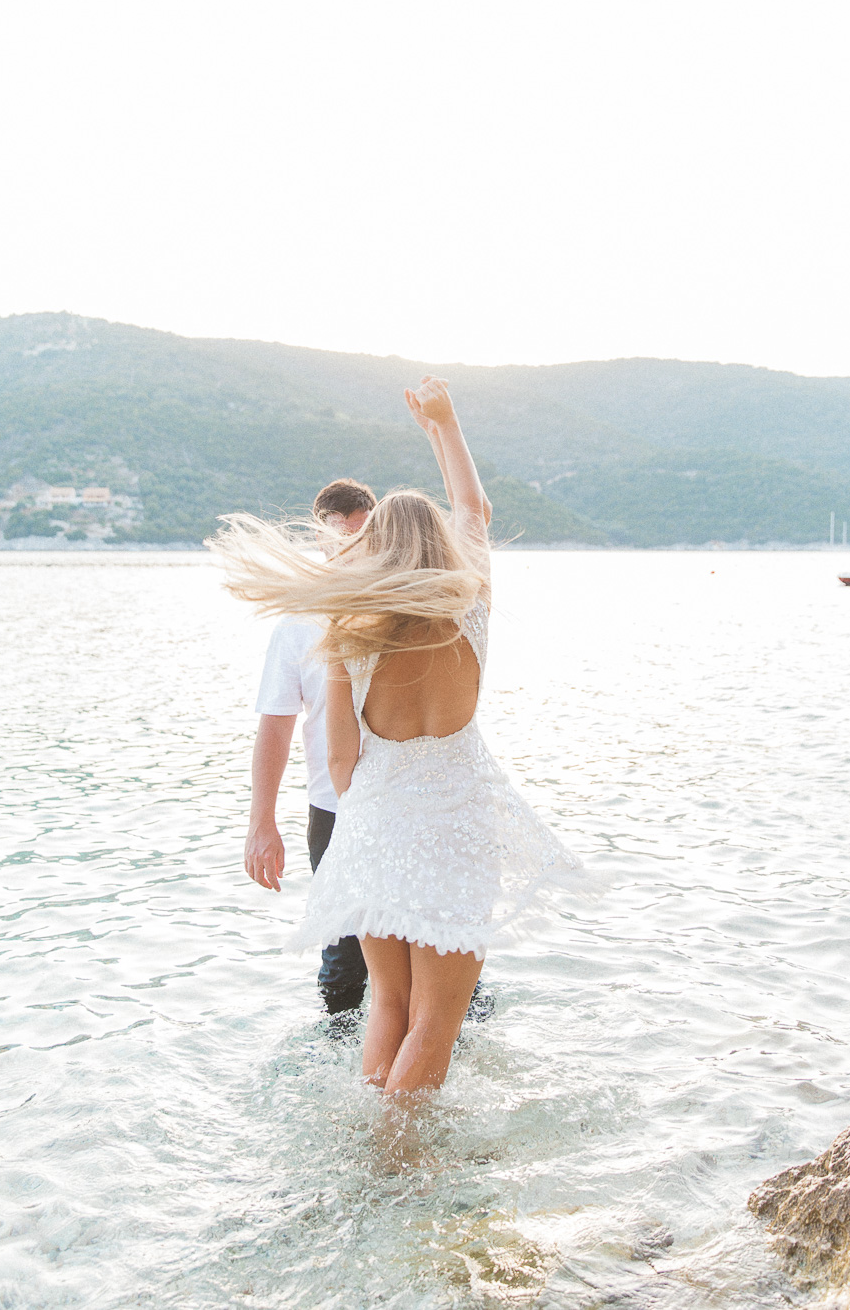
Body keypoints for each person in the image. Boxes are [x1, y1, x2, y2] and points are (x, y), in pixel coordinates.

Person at [212, 379, 593, 1094]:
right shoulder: (470, 606)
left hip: (375, 828)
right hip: (454, 824)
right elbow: (474, 509)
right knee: (438, 1021)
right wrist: (443, 426)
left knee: (386, 1002)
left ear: (378, 547)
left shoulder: (345, 635)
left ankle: (370, 1136)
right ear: (439, 543)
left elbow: (341, 768)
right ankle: (399, 1160)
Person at [244, 478, 376, 1014]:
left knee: (438, 945)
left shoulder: (405, 607)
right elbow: (274, 727)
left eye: (365, 537)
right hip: (333, 810)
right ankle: (339, 1078)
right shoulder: (297, 622)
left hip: (405, 803)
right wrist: (261, 823)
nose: (354, 549)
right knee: (345, 961)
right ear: (321, 537)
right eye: (343, 537)